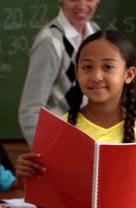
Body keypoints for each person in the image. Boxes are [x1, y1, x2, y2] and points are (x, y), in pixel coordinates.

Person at [16, 30, 136, 208]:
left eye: (108, 67)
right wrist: (28, 180)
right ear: (76, 73)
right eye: (87, 67)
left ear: (128, 75)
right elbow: (52, 207)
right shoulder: (59, 129)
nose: (96, 76)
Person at [19, 0, 100, 146]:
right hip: (62, 145)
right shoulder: (50, 42)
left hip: (92, 143)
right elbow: (30, 111)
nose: (82, 5)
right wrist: (49, 153)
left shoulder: (95, 33)